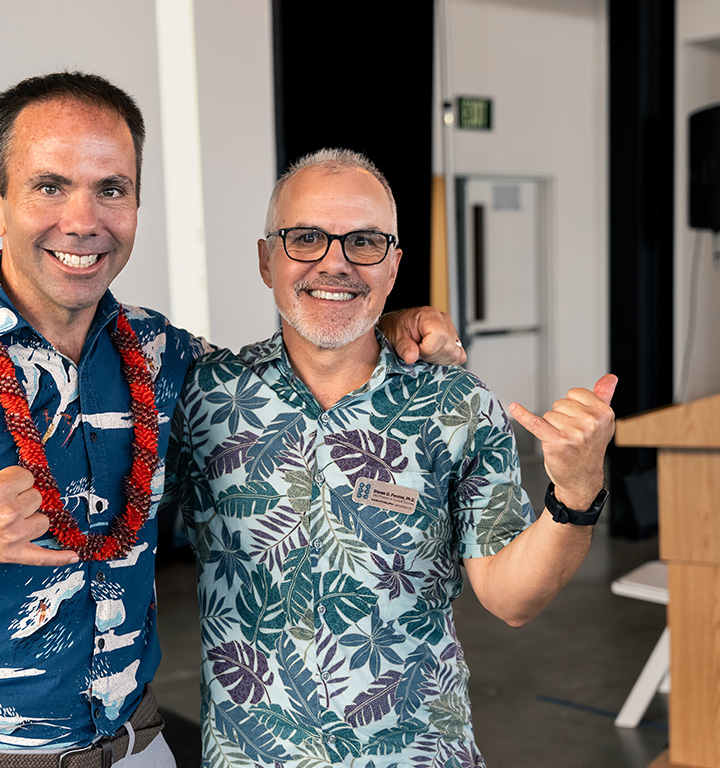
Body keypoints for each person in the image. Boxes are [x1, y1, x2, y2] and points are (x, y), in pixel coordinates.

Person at [0, 74, 462, 768]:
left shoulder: (162, 355)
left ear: (137, 202)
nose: (83, 219)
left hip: (137, 748)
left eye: (111, 188)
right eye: (50, 186)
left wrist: (383, 323)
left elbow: (295, 374)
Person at [166, 149, 617, 767]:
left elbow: (512, 600)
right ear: (267, 260)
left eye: (364, 242)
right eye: (306, 239)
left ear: (394, 264)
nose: (336, 263)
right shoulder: (201, 394)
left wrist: (576, 492)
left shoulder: (456, 404)